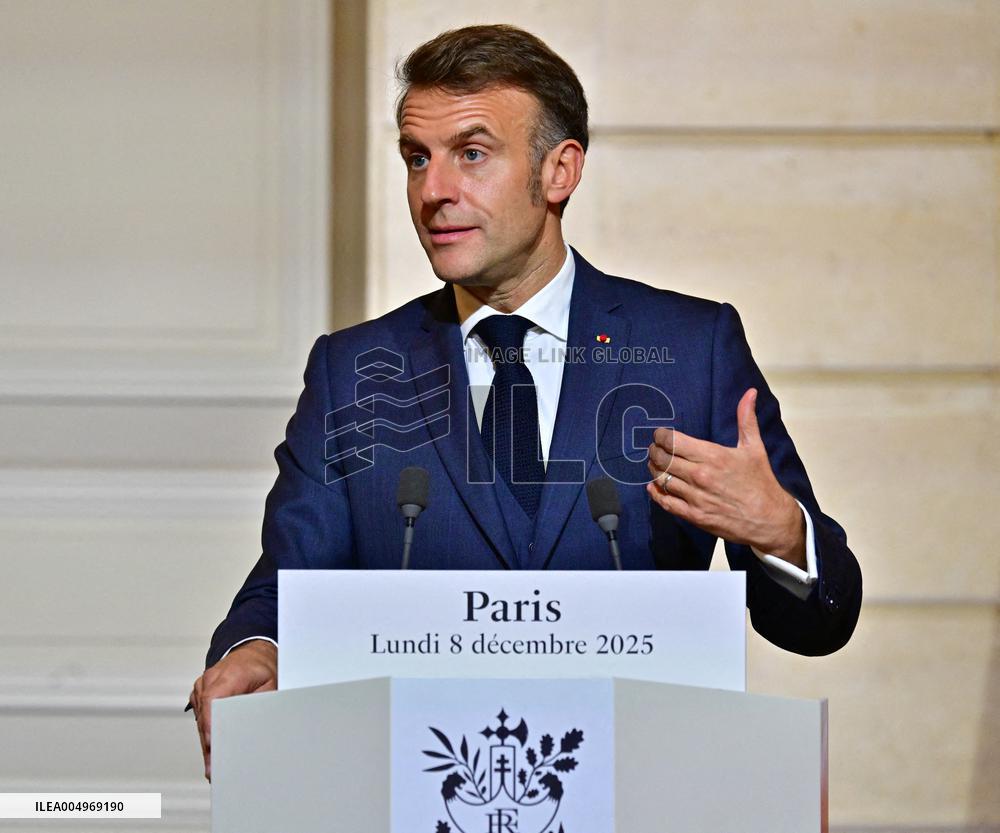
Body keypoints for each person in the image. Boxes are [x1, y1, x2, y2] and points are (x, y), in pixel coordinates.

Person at [188, 24, 862, 780]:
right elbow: (288, 579)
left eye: (471, 153)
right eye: (418, 157)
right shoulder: (352, 369)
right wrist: (255, 647)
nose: (433, 190)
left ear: (559, 171)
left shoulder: (689, 349)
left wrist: (779, 532)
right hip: (413, 789)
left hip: (640, 788)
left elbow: (820, 622)